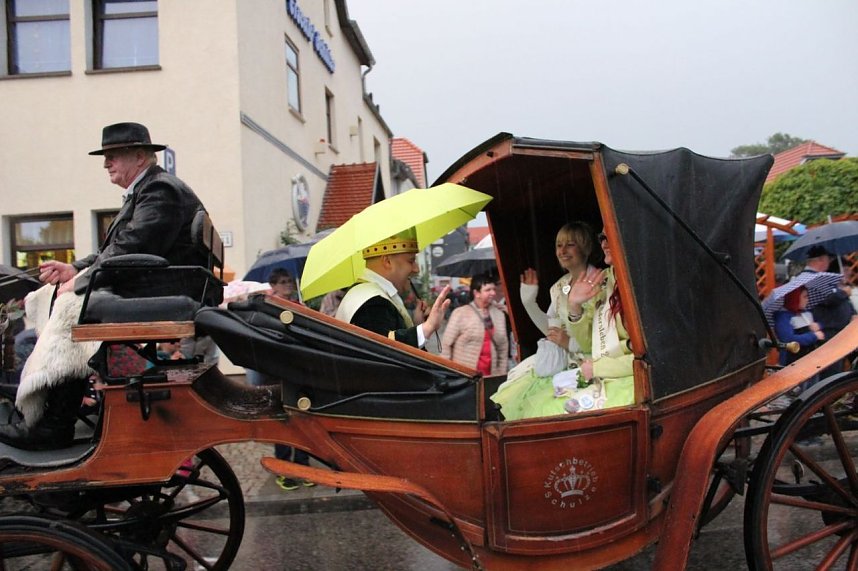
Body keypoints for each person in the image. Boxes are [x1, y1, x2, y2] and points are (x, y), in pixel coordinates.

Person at [0, 122, 209, 450]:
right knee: (64, 299)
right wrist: (74, 269)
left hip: (164, 290)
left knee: (73, 306)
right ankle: (51, 412)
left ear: (140, 157)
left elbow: (134, 247)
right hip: (162, 286)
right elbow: (118, 247)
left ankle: (54, 423)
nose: (105, 163)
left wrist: (81, 281)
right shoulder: (147, 190)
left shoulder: (159, 190)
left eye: (113, 155)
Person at [491, 221, 605, 420]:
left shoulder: (601, 282)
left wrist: (569, 342)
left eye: (570, 244)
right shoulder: (559, 287)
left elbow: (604, 334)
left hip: (595, 365)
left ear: (586, 247)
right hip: (564, 363)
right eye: (559, 245)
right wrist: (528, 302)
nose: (562, 250)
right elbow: (551, 332)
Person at [335, 228, 450, 349]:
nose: (416, 269)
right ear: (387, 261)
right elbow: (383, 350)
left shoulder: (369, 294)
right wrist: (428, 327)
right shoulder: (371, 302)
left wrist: (417, 324)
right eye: (411, 261)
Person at [441, 274, 509, 376]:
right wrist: (448, 373)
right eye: (488, 290)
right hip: (464, 376)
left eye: (494, 289)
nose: (493, 293)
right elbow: (446, 345)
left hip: (491, 376)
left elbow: (503, 347)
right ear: (476, 293)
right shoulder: (461, 313)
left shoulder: (499, 315)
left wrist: (501, 373)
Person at [773, 286, 825, 366]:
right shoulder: (783, 318)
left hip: (811, 360)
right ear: (795, 299)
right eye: (804, 297)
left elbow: (821, 326)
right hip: (792, 363)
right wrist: (813, 336)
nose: (807, 300)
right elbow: (788, 340)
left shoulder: (806, 314)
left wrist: (818, 326)